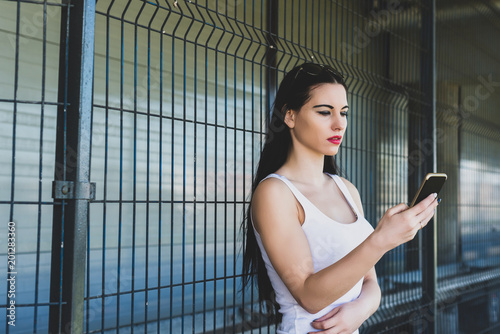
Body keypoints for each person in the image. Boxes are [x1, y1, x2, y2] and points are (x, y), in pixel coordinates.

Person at [241, 62, 440, 333]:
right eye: (325, 112)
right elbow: (308, 296)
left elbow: (370, 283)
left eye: (344, 113)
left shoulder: (346, 189)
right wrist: (381, 240)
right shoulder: (274, 193)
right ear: (290, 116)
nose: (339, 124)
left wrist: (358, 311)